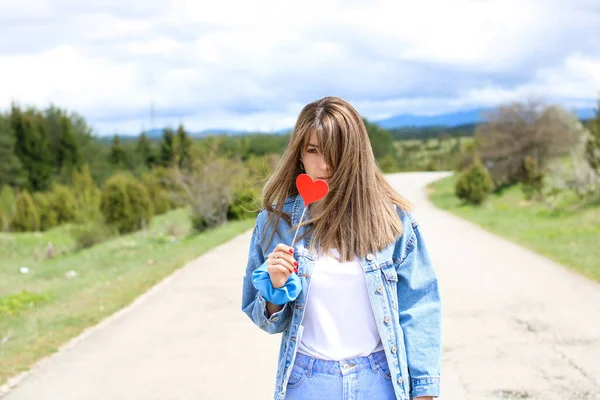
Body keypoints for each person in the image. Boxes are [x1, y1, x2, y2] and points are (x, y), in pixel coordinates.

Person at [241, 96, 441, 400]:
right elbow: (268, 321)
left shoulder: (393, 222)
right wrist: (274, 292)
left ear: (355, 154)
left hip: (379, 380)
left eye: (335, 150)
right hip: (307, 382)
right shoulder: (274, 224)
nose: (325, 165)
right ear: (299, 156)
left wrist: (425, 393)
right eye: (313, 150)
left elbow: (420, 306)